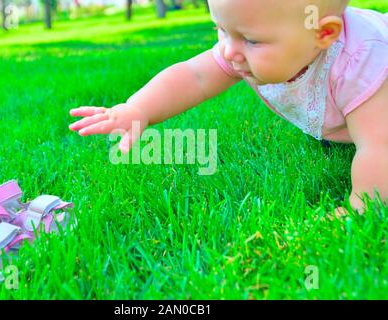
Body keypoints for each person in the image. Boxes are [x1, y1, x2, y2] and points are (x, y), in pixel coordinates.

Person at [69, 0, 387, 216]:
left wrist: (363, 205)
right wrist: (138, 109)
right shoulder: (245, 47)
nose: (228, 50)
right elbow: (195, 76)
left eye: (250, 40)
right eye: (220, 30)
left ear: (323, 34)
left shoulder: (361, 63)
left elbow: (379, 147)